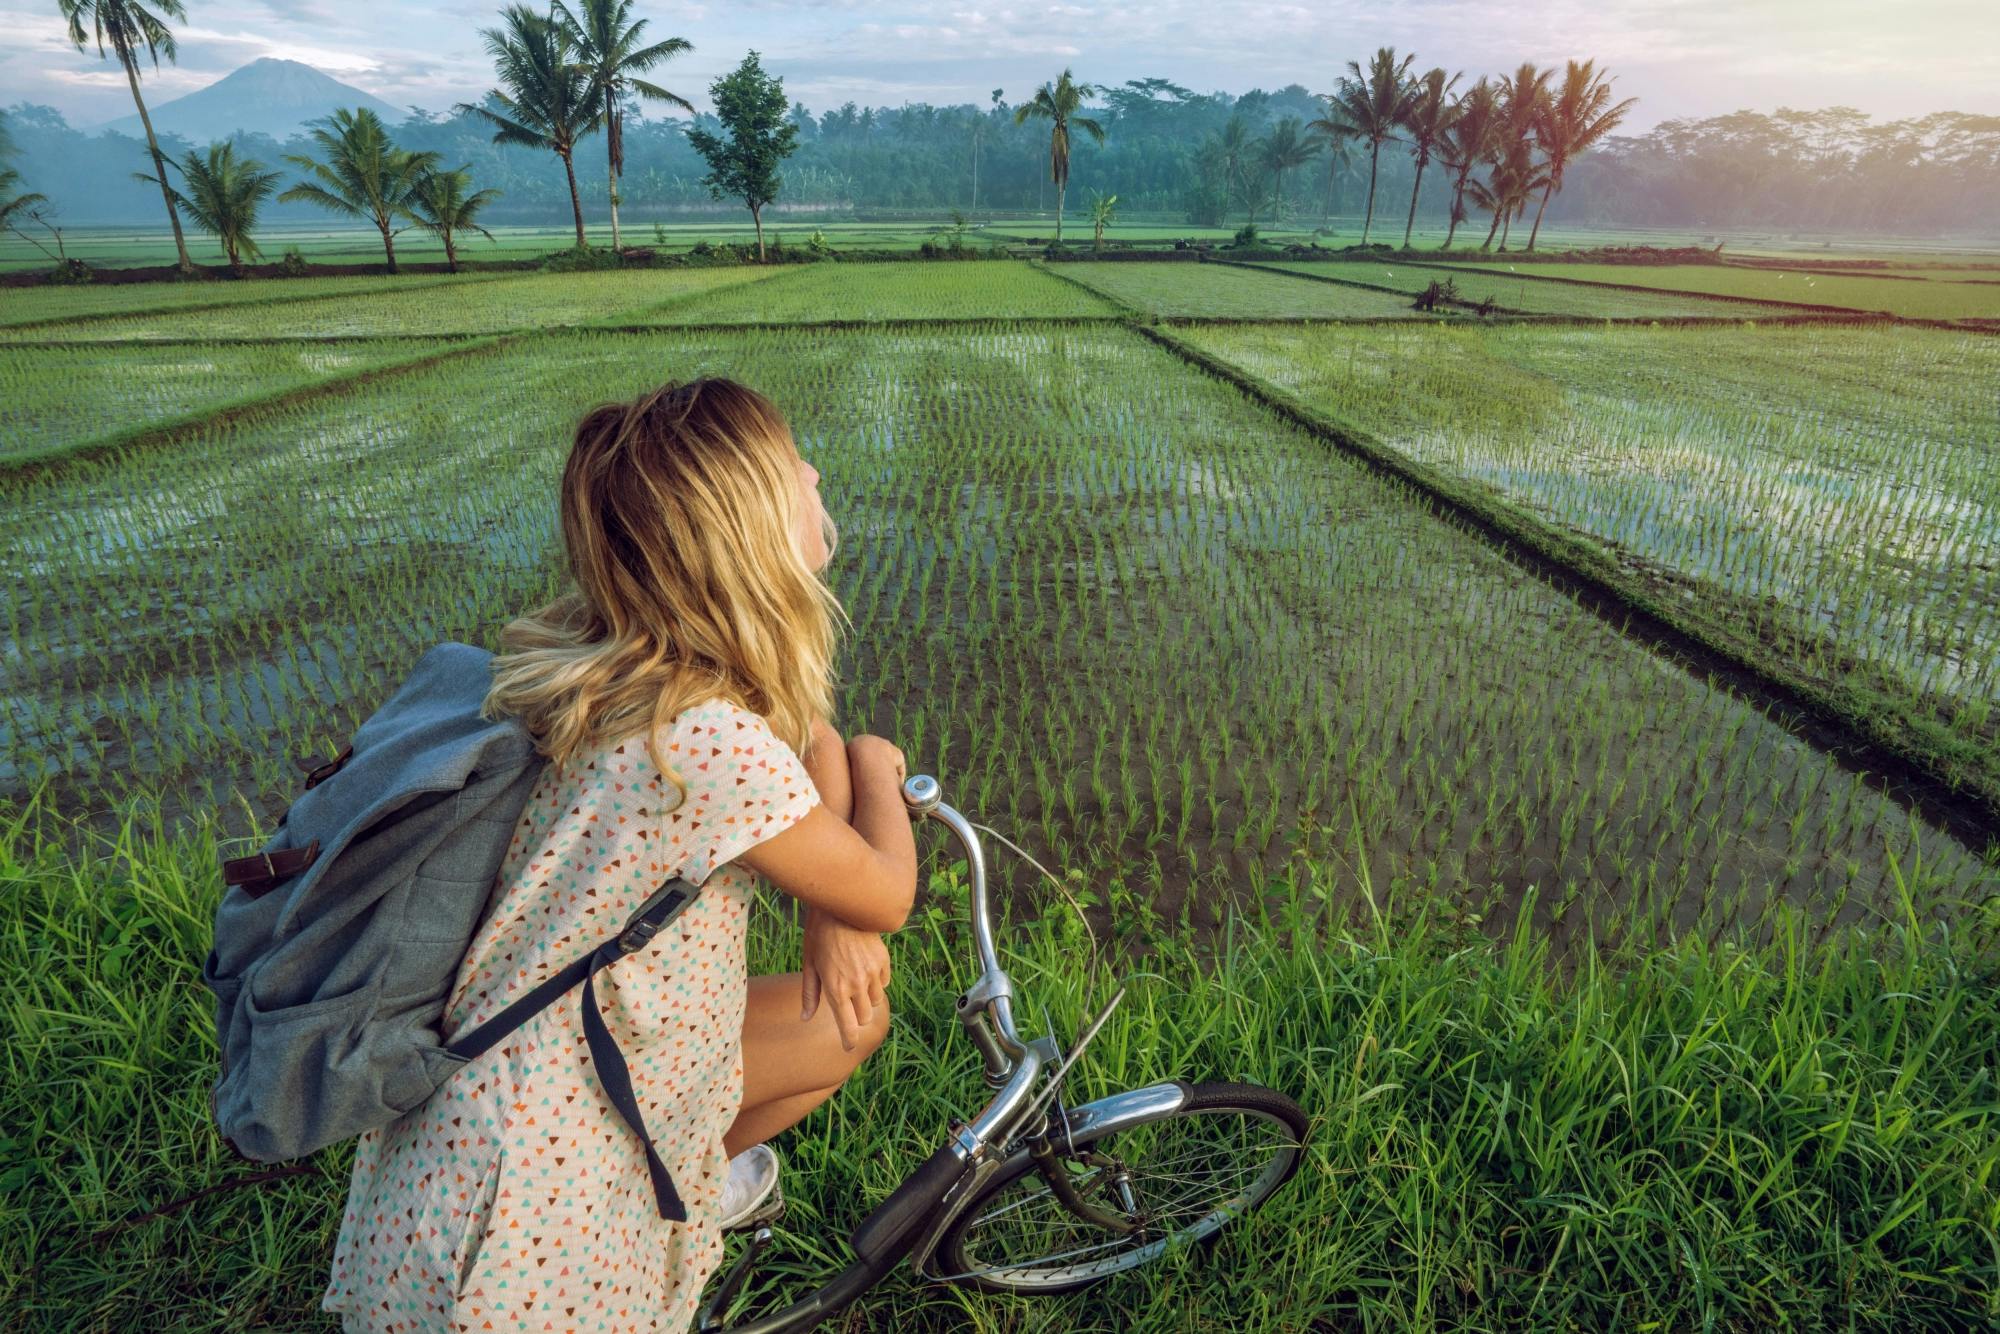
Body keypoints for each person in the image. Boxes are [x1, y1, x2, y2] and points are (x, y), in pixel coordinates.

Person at [321, 378, 919, 1332]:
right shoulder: (706, 746)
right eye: (790, 464)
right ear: (748, 532)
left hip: (531, 1069)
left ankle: (673, 1175)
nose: (814, 471)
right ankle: (645, 1193)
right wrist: (877, 772)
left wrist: (822, 911)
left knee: (842, 1024)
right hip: (536, 1174)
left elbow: (799, 725)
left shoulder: (624, 650)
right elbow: (886, 890)